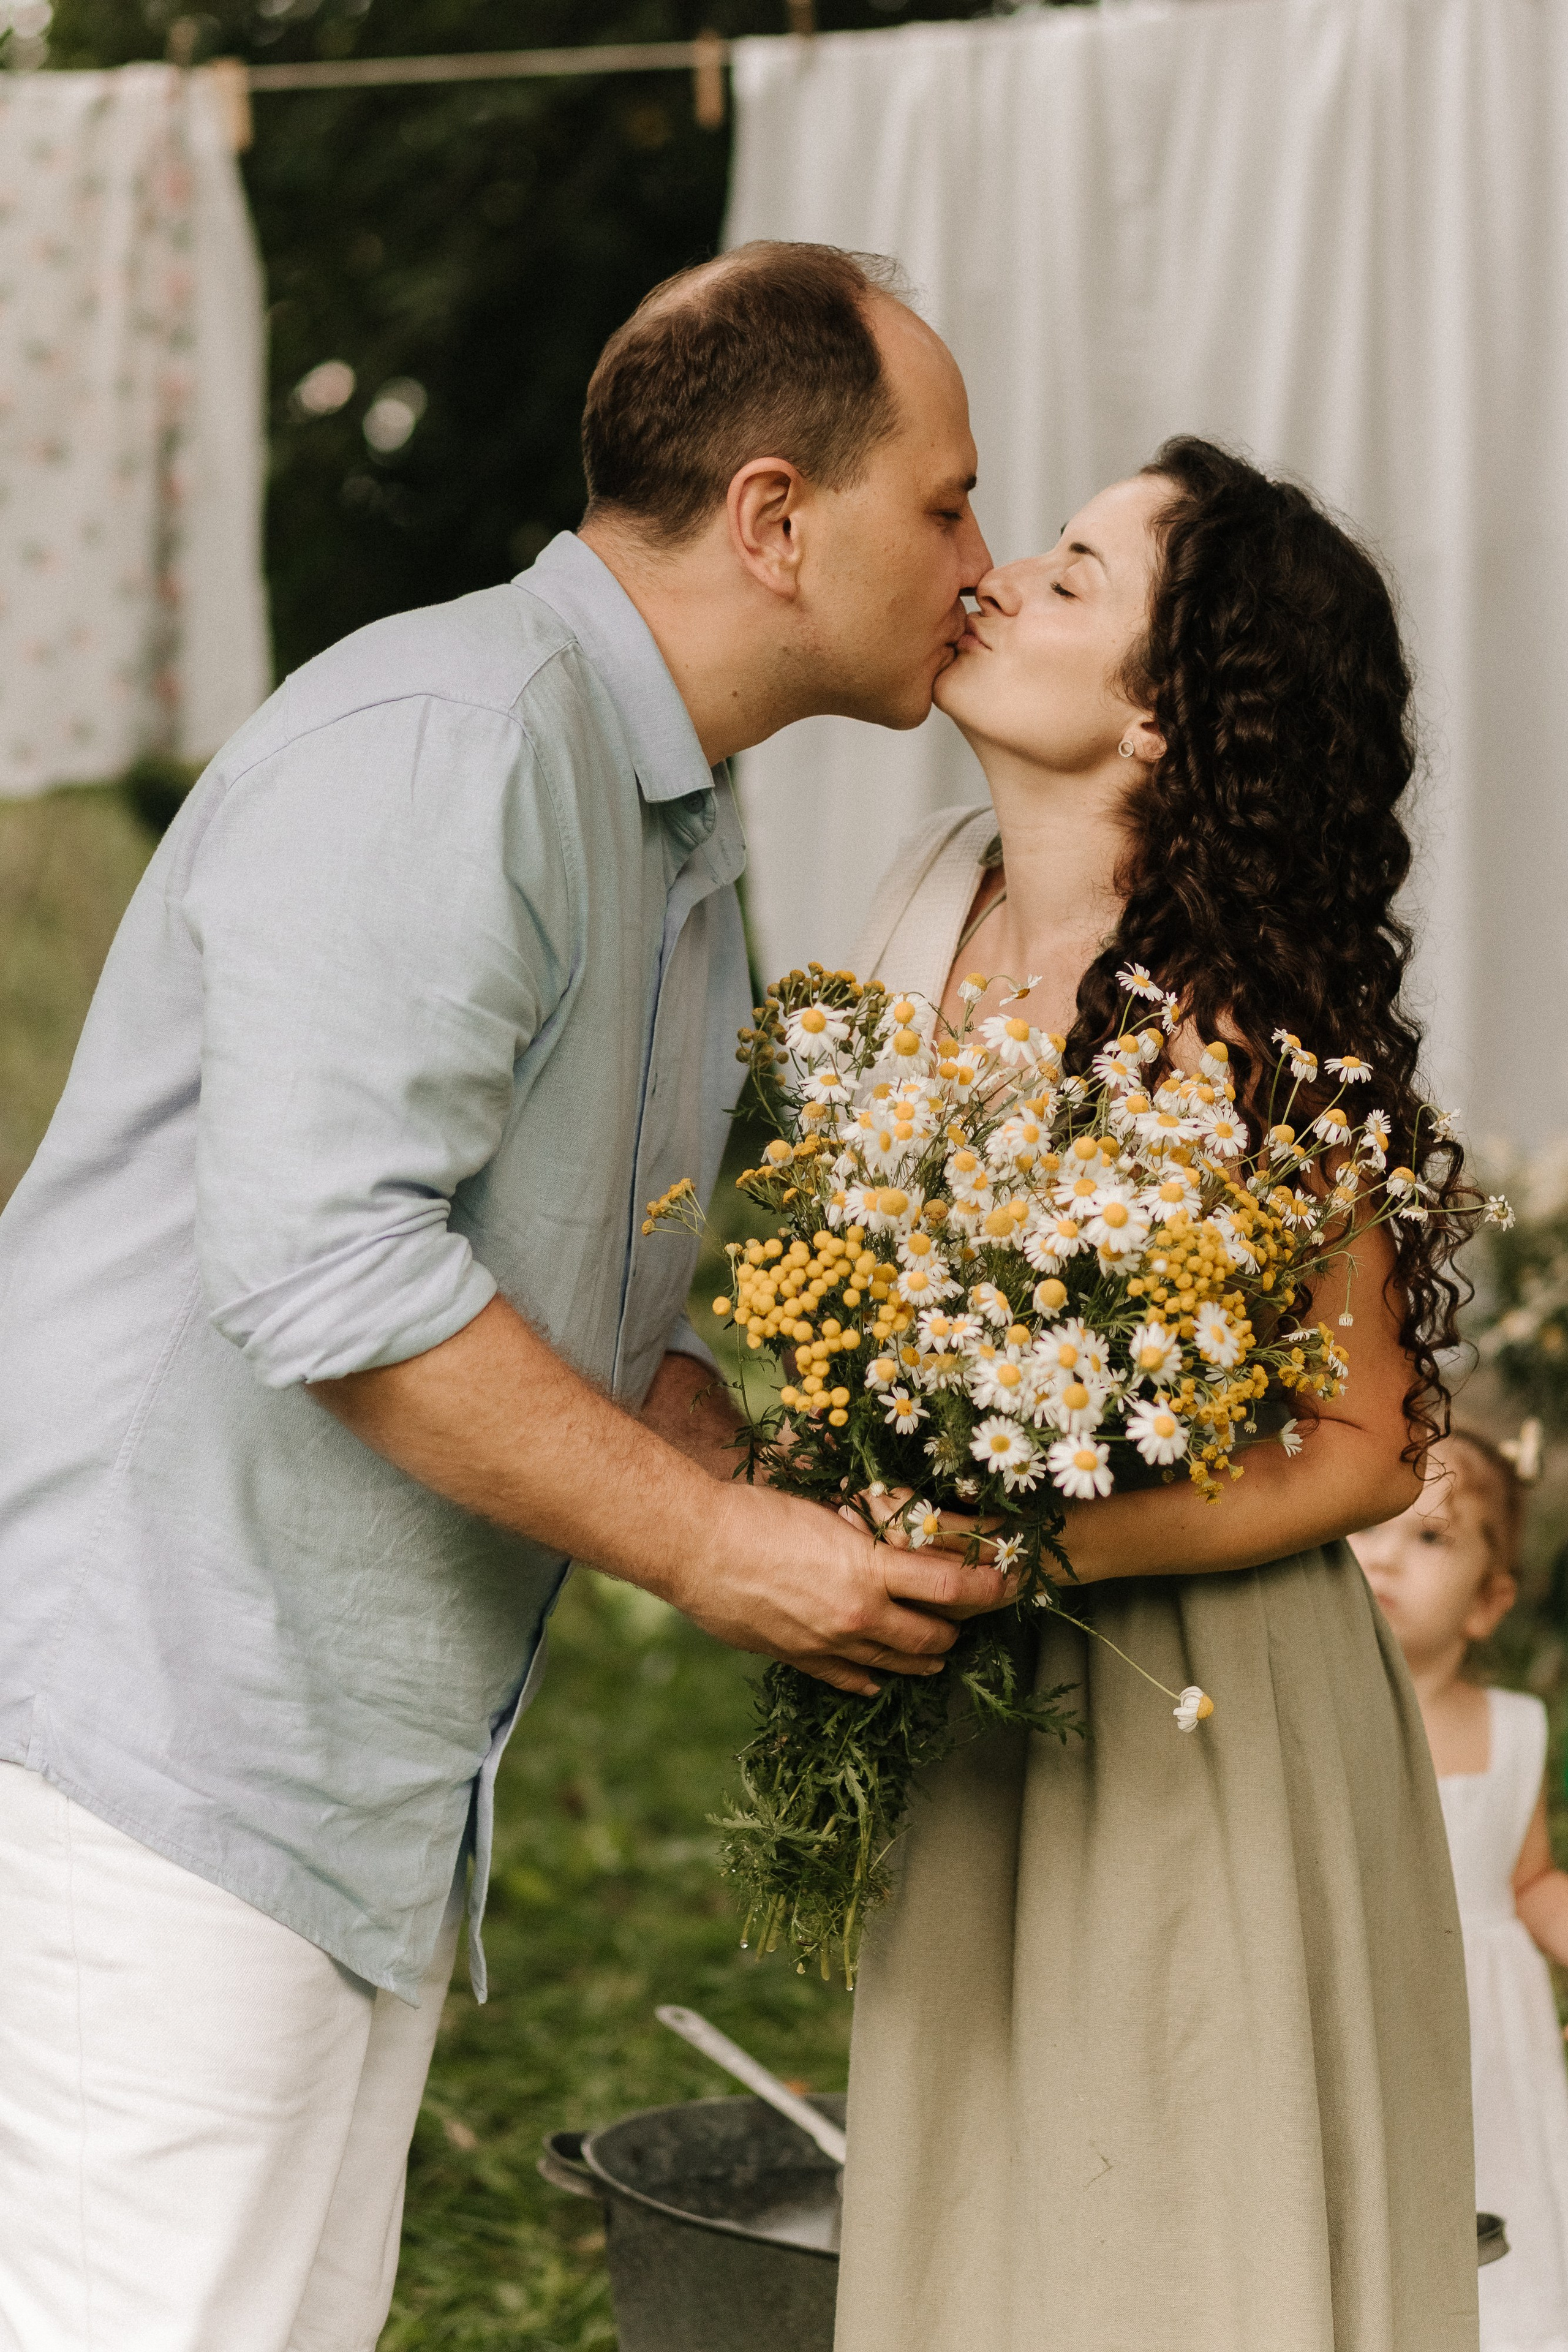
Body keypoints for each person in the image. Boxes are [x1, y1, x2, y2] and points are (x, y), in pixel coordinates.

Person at [0, 242, 1010, 2352]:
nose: (983, 563)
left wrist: (802, 1485)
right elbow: (330, 1265)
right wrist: (722, 1551)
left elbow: (551, 1310)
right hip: (152, 1762)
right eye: (947, 502)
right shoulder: (457, 740)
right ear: (770, 515)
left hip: (340, 1798)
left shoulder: (666, 825)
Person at [833, 437, 1480, 2351]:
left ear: (1162, 728)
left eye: (1079, 577)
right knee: (979, 2209)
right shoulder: (918, 908)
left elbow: (1368, 1448)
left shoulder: (1253, 1015)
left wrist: (1038, 1541)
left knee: (1184, 2221)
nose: (1006, 573)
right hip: (967, 1698)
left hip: (1203, 1707)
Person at [1354, 1430, 1568, 2352]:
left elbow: (1529, 1881)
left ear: (1489, 1603)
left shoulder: (1514, 1730)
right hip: (1366, 2018)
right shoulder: (1312, 1723)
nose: (1386, 1555)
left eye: (1432, 1538)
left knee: (1496, 2237)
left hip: (1486, 2040)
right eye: (1368, 1525)